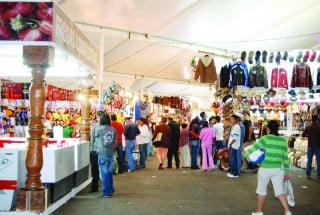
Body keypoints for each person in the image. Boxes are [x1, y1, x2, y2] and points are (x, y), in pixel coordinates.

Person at [245, 120, 292, 215]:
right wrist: (287, 172)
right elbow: (286, 158)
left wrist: (245, 154)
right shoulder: (283, 141)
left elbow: (252, 149)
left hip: (265, 169)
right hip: (278, 170)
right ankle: (287, 211)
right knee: (279, 191)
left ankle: (259, 211)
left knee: (261, 190)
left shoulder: (265, 139)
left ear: (268, 129)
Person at [96, 114, 117, 198]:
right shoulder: (113, 130)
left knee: (104, 173)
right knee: (109, 172)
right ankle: (111, 189)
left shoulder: (98, 129)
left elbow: (96, 141)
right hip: (110, 153)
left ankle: (106, 192)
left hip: (102, 153)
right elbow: (115, 143)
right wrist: (112, 148)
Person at [89, 110, 105, 193]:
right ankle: (106, 186)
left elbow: (92, 140)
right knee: (104, 169)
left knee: (95, 170)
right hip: (104, 151)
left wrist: (91, 150)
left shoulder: (95, 127)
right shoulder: (108, 126)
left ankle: (95, 187)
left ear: (98, 117)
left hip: (96, 151)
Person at [302, 115, 320, 180]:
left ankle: (308, 174)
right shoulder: (319, 128)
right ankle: (318, 175)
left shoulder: (308, 127)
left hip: (310, 146)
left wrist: (308, 135)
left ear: (312, 120)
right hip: (318, 146)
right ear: (317, 120)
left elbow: (303, 135)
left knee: (309, 160)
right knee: (319, 161)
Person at [227, 112, 243, 178]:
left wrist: (230, 144)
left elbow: (235, 138)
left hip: (234, 146)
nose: (231, 120)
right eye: (231, 119)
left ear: (236, 120)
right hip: (234, 146)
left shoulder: (236, 127)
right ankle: (235, 173)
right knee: (233, 160)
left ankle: (234, 173)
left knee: (233, 160)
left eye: (232, 119)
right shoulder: (235, 126)